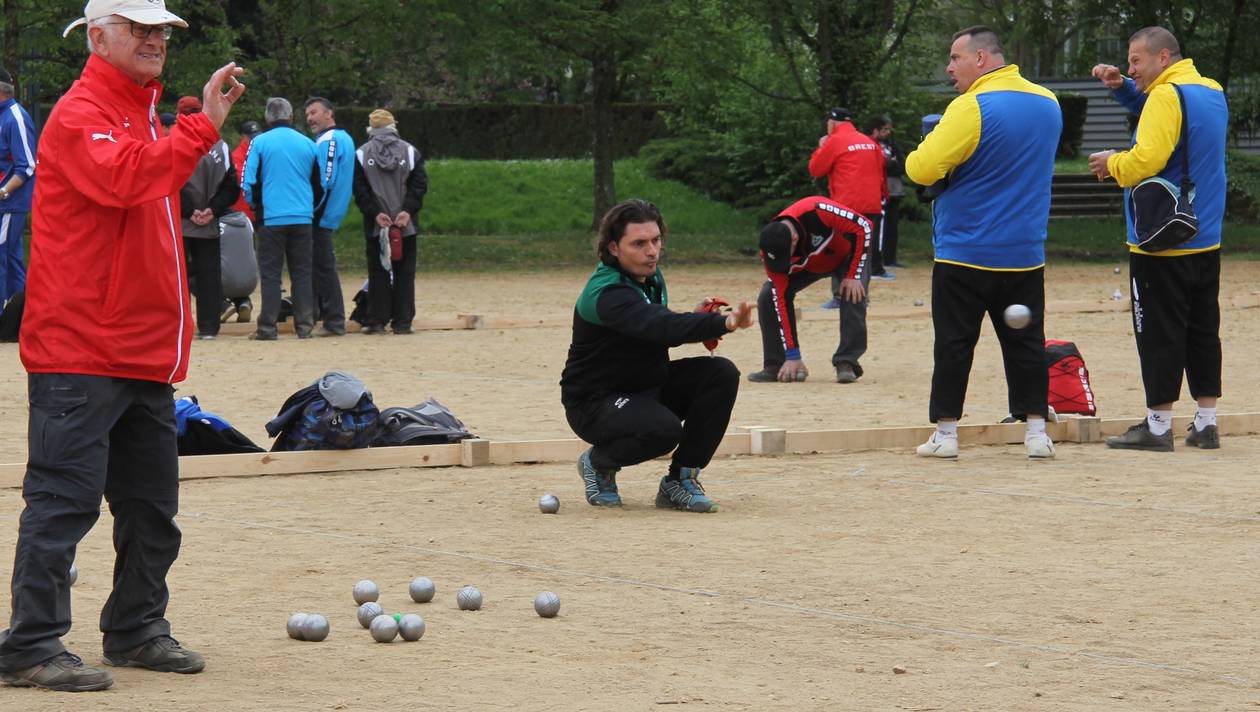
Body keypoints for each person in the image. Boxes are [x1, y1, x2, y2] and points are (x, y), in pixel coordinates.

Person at [0, 0, 245, 692]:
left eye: (161, 30)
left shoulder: (140, 113)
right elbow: (133, 177)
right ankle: (30, 646)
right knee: (62, 502)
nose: (154, 39)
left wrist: (190, 129)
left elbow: (148, 178)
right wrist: (201, 129)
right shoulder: (82, 115)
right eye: (138, 27)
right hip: (81, 348)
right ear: (97, 35)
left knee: (151, 507)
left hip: (139, 352)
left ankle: (136, 629)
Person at [904, 25, 1060, 460]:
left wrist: (927, 148)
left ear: (983, 59)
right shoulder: (1049, 103)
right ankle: (1035, 433)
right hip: (1025, 252)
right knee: (1027, 342)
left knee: (954, 343)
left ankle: (947, 434)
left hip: (965, 251)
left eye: (956, 58)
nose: (949, 67)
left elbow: (921, 169)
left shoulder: (969, 106)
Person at [560, 199, 755, 513]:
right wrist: (724, 323)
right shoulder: (608, 294)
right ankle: (598, 463)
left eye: (656, 240)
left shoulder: (649, 277)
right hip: (595, 403)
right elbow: (658, 323)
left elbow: (654, 330)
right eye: (639, 243)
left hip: (646, 388)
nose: (651, 251)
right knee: (664, 431)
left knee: (721, 373)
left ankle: (680, 481)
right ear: (613, 248)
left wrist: (694, 320)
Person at [1088, 27, 1227, 452]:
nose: (1131, 69)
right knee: (1203, 329)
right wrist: (1126, 89)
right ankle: (1206, 422)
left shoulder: (1167, 97)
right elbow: (1173, 120)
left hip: (1161, 237)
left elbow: (1147, 159)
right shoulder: (1208, 90)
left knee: (1159, 332)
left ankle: (1158, 426)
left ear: (1162, 57)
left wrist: (1113, 164)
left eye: (1136, 61)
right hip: (1204, 232)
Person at [746, 196, 871, 385]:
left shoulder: (817, 209)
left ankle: (847, 361)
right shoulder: (770, 250)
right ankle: (776, 363)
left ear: (794, 239)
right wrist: (792, 354)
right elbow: (780, 298)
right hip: (809, 266)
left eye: (786, 257)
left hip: (846, 257)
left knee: (853, 291)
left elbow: (864, 226)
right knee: (768, 295)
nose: (783, 264)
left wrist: (853, 274)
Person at [241, 97, 321, 340]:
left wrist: (256, 207)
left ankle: (268, 327)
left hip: (271, 217)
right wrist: (309, 207)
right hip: (303, 216)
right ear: (291, 116)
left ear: (267, 118)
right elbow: (319, 184)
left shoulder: (259, 142)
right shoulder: (308, 144)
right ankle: (305, 325)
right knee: (302, 273)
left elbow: (248, 181)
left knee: (271, 274)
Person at [350, 109, 427, 334]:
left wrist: (375, 213)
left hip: (377, 225)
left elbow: (360, 190)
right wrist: (407, 211)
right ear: (393, 127)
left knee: (378, 271)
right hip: (406, 225)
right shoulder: (411, 152)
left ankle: (377, 320)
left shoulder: (362, 154)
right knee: (405, 272)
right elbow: (419, 185)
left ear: (372, 130)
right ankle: (403, 322)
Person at [810, 105, 889, 306]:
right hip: (871, 204)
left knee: (841, 249)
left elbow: (816, 169)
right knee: (864, 250)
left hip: (845, 205)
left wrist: (821, 146)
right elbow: (882, 173)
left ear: (832, 122)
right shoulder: (869, 142)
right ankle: (861, 296)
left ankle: (840, 296)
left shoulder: (834, 141)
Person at [175, 96, 238, 340]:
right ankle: (210, 327)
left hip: (181, 224)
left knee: (177, 277)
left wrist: (190, 211)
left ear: (180, 116)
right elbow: (231, 186)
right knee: (209, 276)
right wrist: (212, 209)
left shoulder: (174, 141)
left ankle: (179, 327)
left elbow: (170, 183)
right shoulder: (220, 146)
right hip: (209, 223)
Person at [304, 97, 354, 337]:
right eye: (307, 115)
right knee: (317, 265)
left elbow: (326, 179)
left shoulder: (330, 140)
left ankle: (334, 319)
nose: (310, 118)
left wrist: (312, 209)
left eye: (314, 112)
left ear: (329, 113)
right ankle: (318, 313)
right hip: (328, 211)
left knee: (323, 267)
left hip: (321, 213)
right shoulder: (338, 138)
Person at [0, 66, 36, 308]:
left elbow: (28, 165)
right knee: (12, 260)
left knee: (3, 258)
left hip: (9, 203)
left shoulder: (15, 116)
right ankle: (22, 317)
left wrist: (3, 191)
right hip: (5, 201)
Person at [221, 118, 262, 323]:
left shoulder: (237, 156)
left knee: (234, 261)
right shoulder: (239, 156)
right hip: (243, 216)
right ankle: (243, 301)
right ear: (243, 137)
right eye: (250, 137)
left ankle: (237, 302)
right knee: (245, 260)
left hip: (239, 217)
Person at [866, 114, 906, 268]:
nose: (888, 132)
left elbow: (902, 164)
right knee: (879, 226)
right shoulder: (869, 143)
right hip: (878, 191)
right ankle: (878, 260)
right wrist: (888, 164)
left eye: (889, 129)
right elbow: (877, 166)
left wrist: (890, 164)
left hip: (895, 190)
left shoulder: (892, 144)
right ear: (876, 130)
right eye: (885, 129)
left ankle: (891, 258)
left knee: (892, 226)